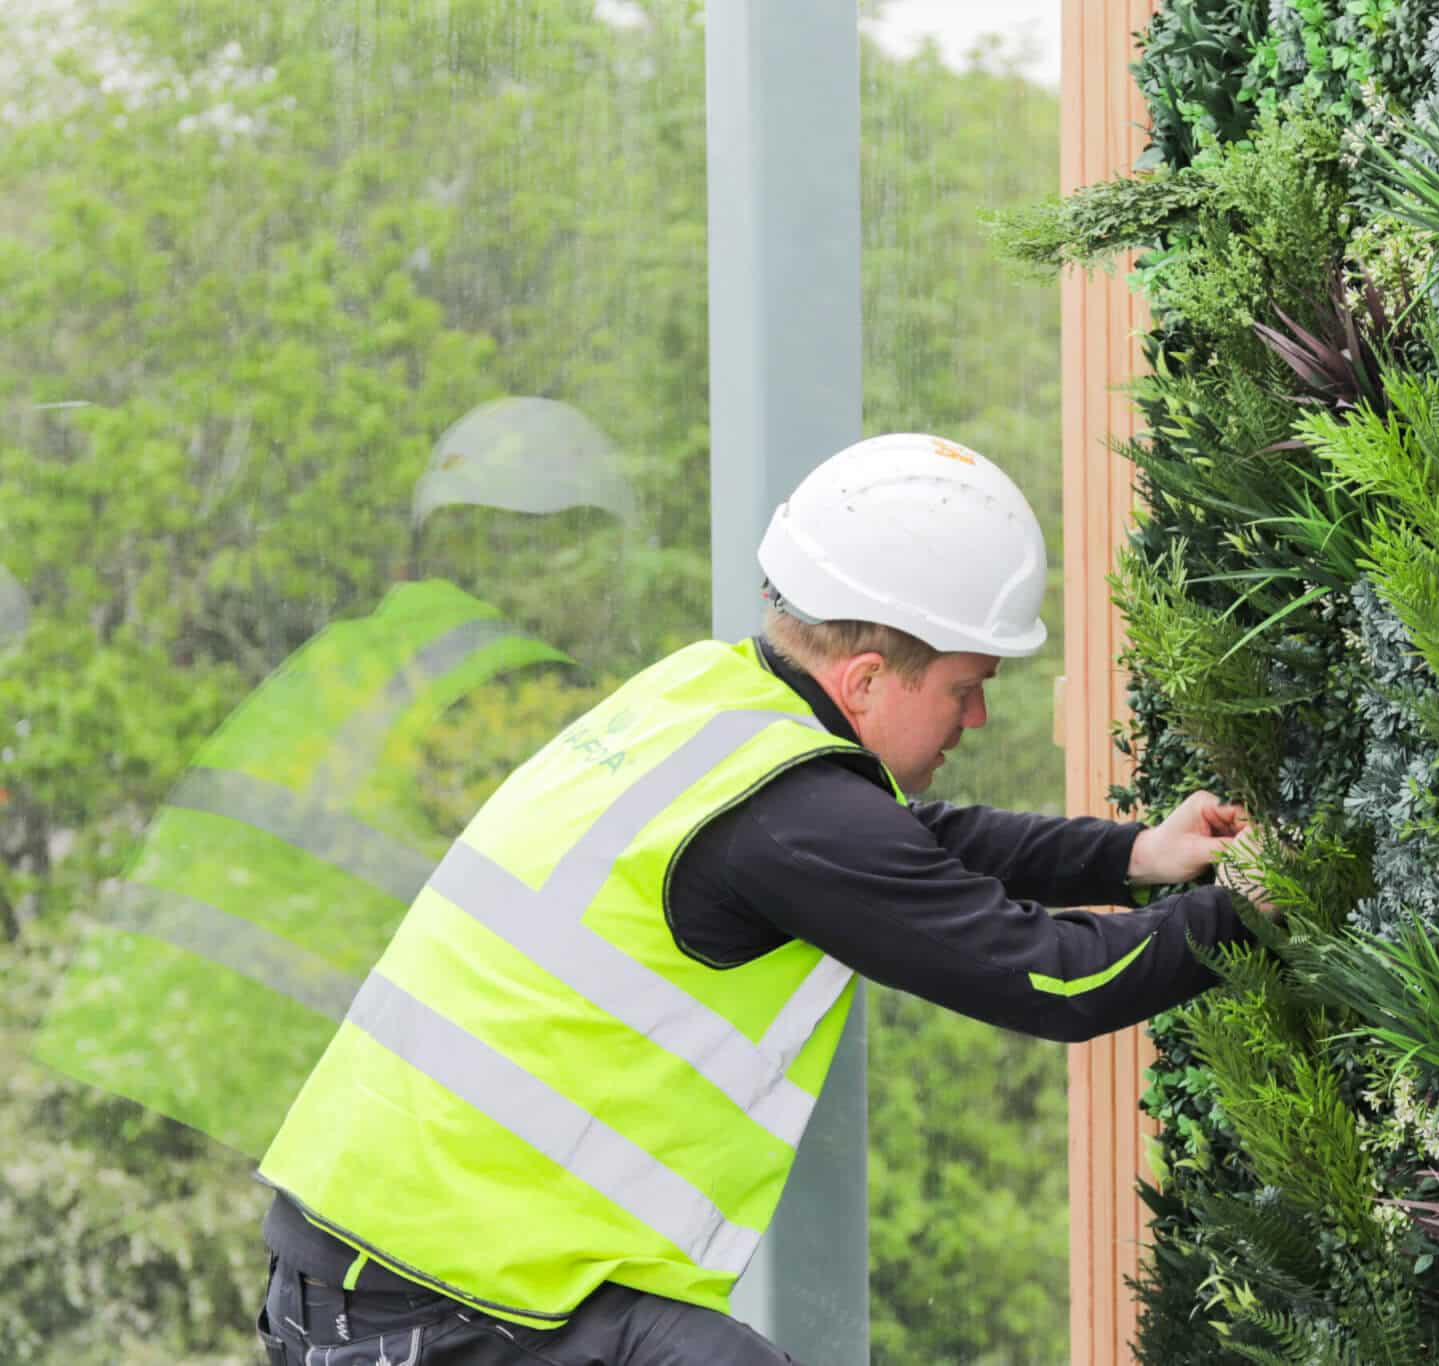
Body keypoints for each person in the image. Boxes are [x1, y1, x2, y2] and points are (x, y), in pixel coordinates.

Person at [250, 432, 1268, 1366]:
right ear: (868, 677)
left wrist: (1134, 852)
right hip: (434, 1306)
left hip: (392, 1265)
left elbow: (902, 843)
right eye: (965, 684)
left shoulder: (704, 700)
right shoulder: (795, 817)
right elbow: (1054, 980)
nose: (977, 713)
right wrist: (1258, 906)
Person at [33, 397, 634, 1157]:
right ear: (556, 549)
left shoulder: (346, 655)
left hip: (125, 1064)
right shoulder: (520, 697)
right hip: (261, 1110)